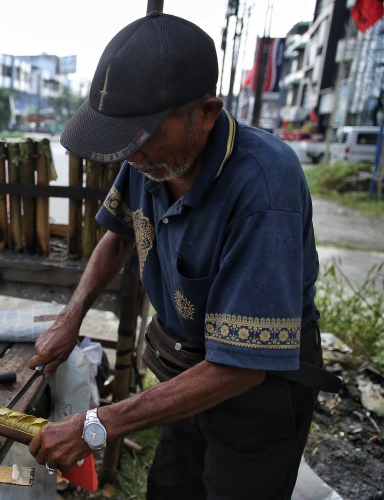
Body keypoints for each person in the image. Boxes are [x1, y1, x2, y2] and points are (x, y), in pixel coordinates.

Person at [28, 12, 335, 499]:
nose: (132, 156)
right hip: (187, 376)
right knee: (171, 487)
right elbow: (118, 235)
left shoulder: (264, 187)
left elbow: (242, 365)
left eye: (144, 138)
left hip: (258, 390)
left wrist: (96, 425)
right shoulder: (147, 158)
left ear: (208, 112)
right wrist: (73, 315)